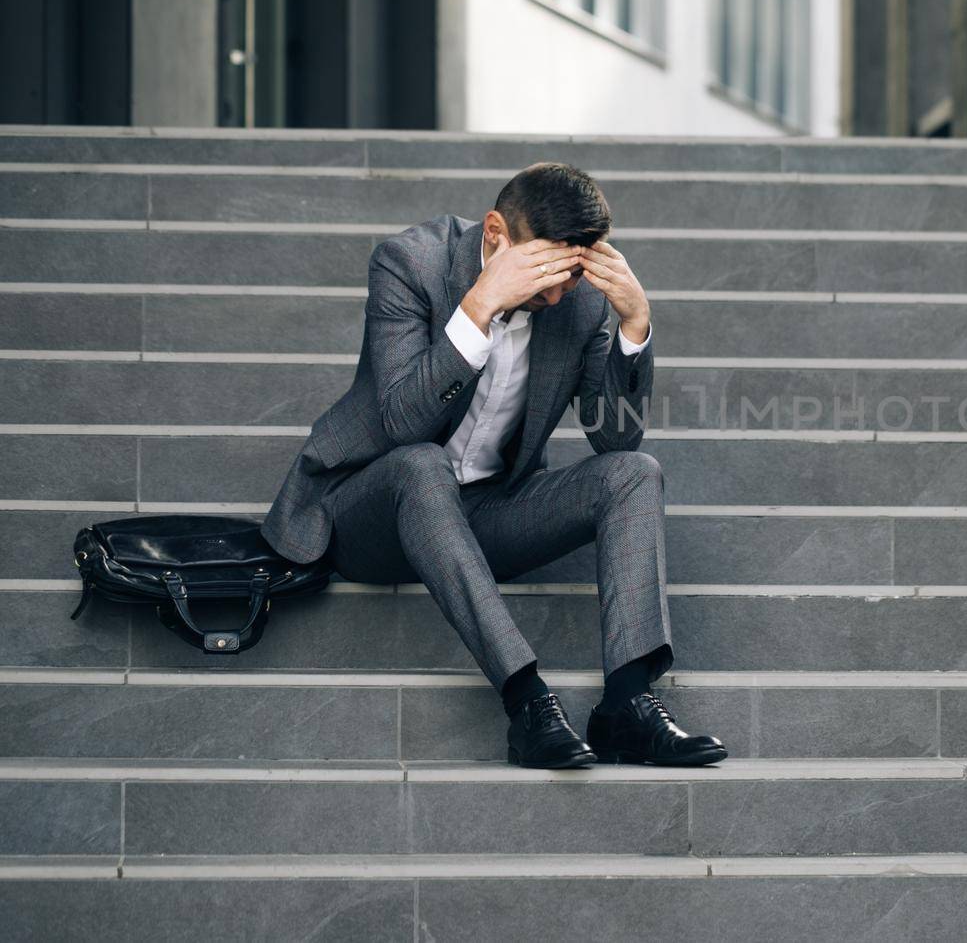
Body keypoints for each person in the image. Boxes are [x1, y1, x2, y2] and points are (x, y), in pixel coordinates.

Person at [260, 161, 726, 769]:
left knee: (635, 473)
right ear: (496, 232)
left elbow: (615, 442)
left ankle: (626, 705)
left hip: (485, 511)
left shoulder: (578, 305)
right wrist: (479, 307)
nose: (559, 294)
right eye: (545, 271)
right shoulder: (411, 265)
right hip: (371, 510)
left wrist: (634, 326)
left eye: (572, 273)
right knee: (421, 465)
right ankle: (528, 701)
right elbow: (403, 424)